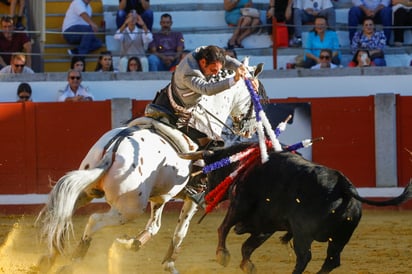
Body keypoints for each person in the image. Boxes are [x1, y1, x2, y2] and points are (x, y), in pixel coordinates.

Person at [151, 45, 256, 207]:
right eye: (212, 70)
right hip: (177, 112)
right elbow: (207, 89)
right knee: (213, 144)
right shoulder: (189, 72)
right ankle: (195, 187)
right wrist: (235, 79)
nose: (215, 74)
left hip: (175, 100)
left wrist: (245, 72)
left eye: (217, 70)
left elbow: (227, 61)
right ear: (203, 62)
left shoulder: (204, 53)